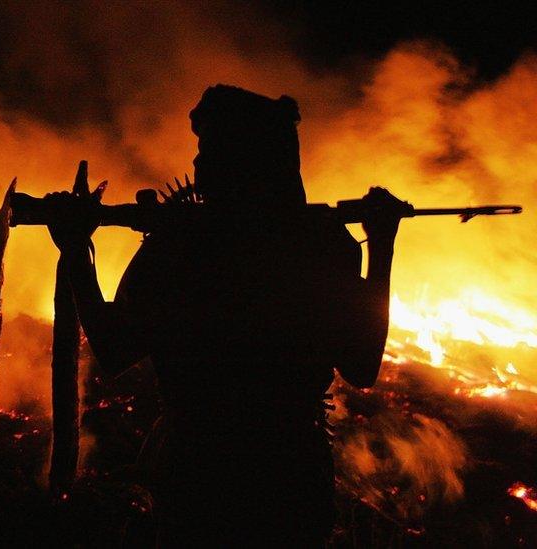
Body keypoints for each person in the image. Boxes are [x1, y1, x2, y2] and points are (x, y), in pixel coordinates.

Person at [45, 85, 408, 545]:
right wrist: (381, 244)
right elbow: (362, 365)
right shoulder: (321, 243)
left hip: (198, 474)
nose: (197, 163)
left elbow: (114, 347)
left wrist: (77, 249)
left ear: (240, 161)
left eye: (208, 149)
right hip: (291, 476)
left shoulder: (181, 246)